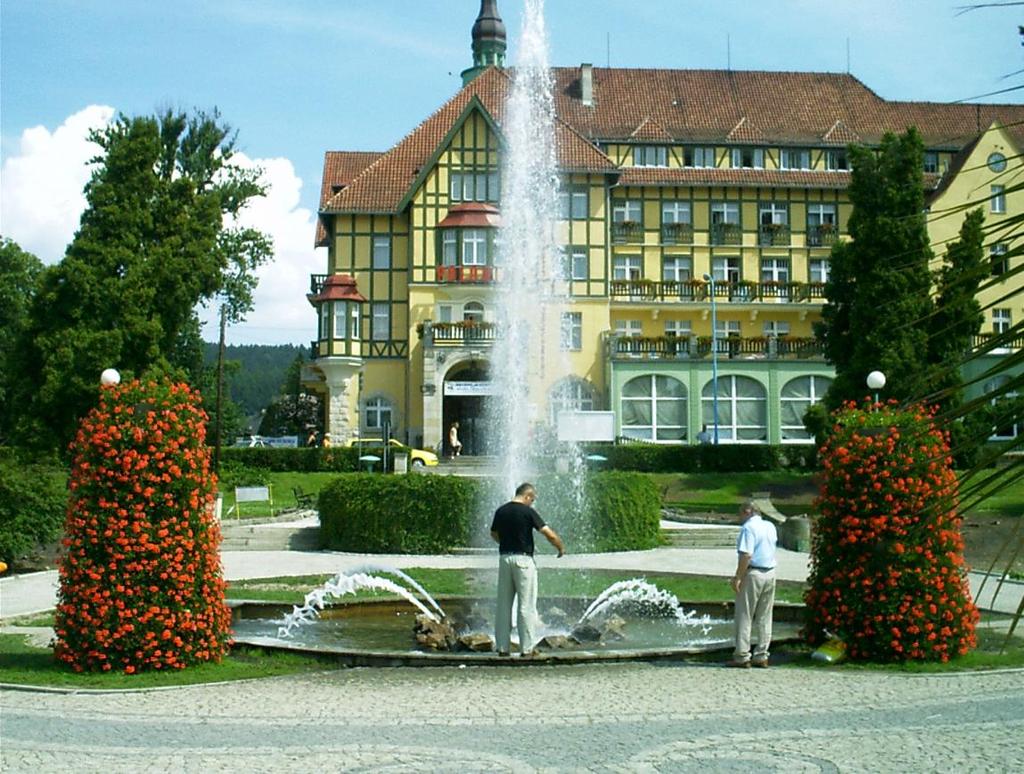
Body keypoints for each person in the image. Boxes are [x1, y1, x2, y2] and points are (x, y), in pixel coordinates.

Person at [490, 482, 565, 657]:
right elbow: (548, 533)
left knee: (503, 605)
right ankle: (527, 648)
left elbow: (493, 533)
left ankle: (502, 647)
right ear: (527, 496)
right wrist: (560, 547)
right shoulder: (527, 511)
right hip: (523, 560)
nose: (532, 503)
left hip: (504, 558)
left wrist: (506, 542)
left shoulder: (501, 510)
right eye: (532, 499)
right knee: (526, 605)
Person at [728, 501, 778, 668]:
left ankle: (742, 656)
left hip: (754, 573)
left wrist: (737, 577)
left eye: (740, 513)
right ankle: (762, 655)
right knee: (765, 616)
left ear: (748, 512)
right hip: (770, 572)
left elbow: (746, 555)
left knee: (745, 614)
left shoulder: (748, 528)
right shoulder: (770, 526)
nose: (740, 517)